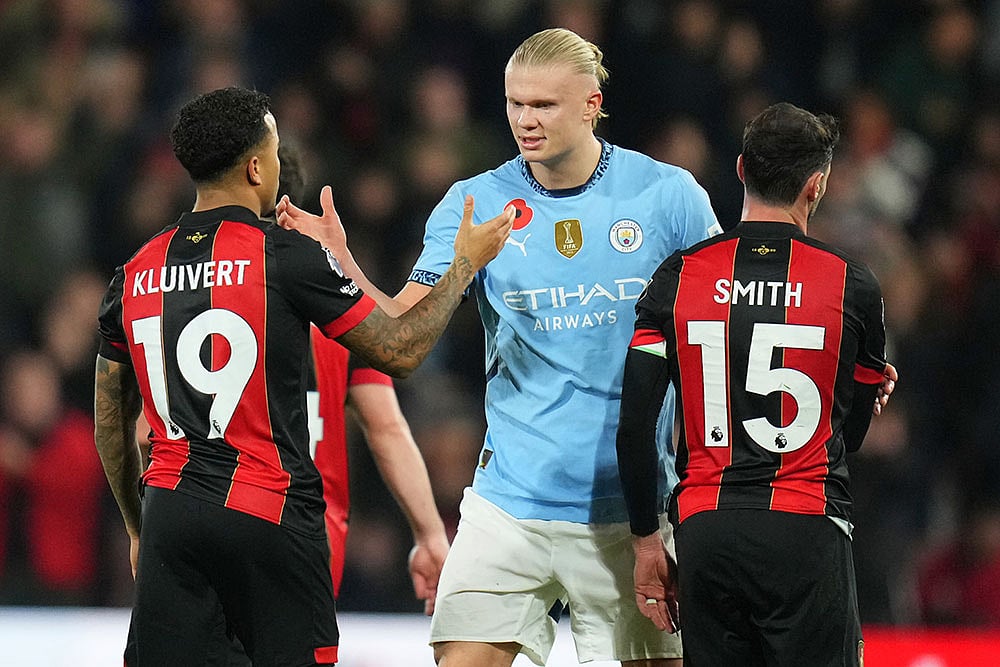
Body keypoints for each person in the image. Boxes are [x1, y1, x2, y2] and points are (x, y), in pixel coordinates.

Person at [279, 28, 721, 667]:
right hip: (510, 500)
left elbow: (719, 322)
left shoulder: (668, 197)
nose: (526, 120)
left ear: (593, 104)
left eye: (544, 105)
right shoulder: (475, 202)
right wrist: (339, 262)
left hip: (631, 509)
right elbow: (402, 320)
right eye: (516, 103)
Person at [94, 86, 512, 666]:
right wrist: (463, 263)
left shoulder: (134, 272)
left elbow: (112, 420)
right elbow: (402, 351)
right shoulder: (286, 258)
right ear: (258, 167)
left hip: (171, 519)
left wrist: (138, 529)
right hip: (270, 519)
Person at [616, 102, 890, 666]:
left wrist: (646, 541)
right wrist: (863, 391)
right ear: (816, 185)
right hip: (806, 527)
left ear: (741, 169)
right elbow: (852, 433)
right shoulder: (852, 284)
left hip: (707, 531)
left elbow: (634, 427)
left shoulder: (678, 276)